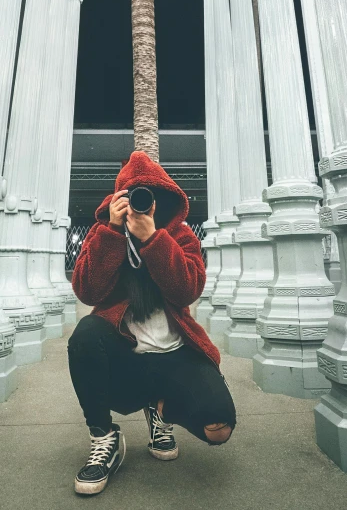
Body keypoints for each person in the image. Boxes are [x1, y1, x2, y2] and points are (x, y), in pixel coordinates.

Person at [68, 151, 236, 495]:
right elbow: (87, 291)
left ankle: (160, 409)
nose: (141, 205)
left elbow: (186, 290)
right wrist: (113, 233)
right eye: (133, 198)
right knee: (85, 334)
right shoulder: (103, 235)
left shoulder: (181, 236)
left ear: (163, 202)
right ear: (118, 201)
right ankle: (104, 437)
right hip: (127, 360)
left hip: (177, 355)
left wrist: (153, 239)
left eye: (149, 198)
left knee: (218, 429)